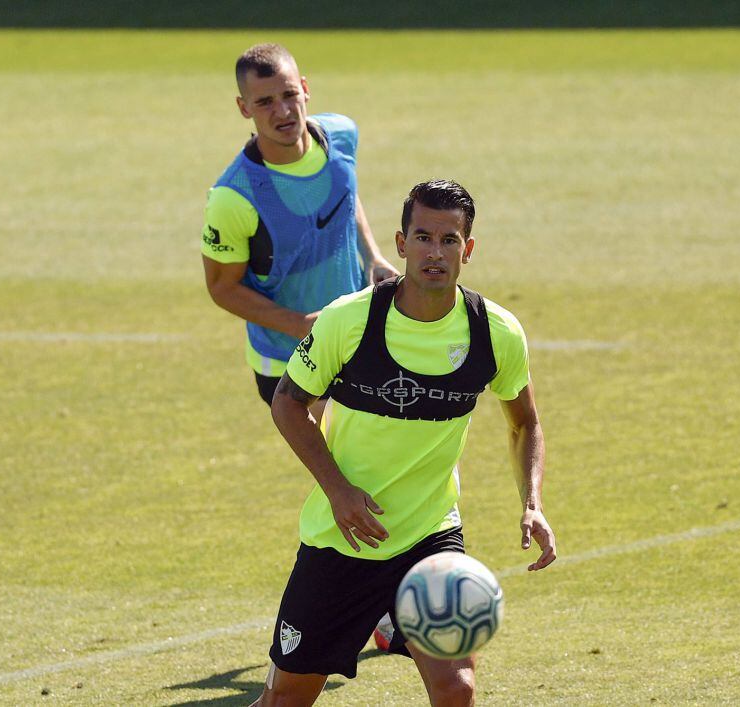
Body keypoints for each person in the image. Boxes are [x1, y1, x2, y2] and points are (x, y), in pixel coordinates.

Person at [258, 180, 557, 706]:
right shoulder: (348, 321)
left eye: (448, 240)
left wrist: (532, 504)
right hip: (342, 540)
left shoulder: (495, 333)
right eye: (422, 237)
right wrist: (339, 491)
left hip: (428, 538)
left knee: (456, 689)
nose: (434, 253)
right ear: (400, 243)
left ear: (468, 249)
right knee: (287, 700)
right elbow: (287, 402)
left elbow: (525, 423)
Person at [201, 43, 398, 407]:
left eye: (289, 94)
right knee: (358, 459)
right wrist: (300, 325)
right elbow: (221, 287)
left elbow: (344, 193)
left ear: (305, 88)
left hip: (355, 340)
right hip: (288, 363)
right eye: (264, 102)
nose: (283, 111)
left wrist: (372, 255)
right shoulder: (234, 197)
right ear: (244, 108)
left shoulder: (341, 134)